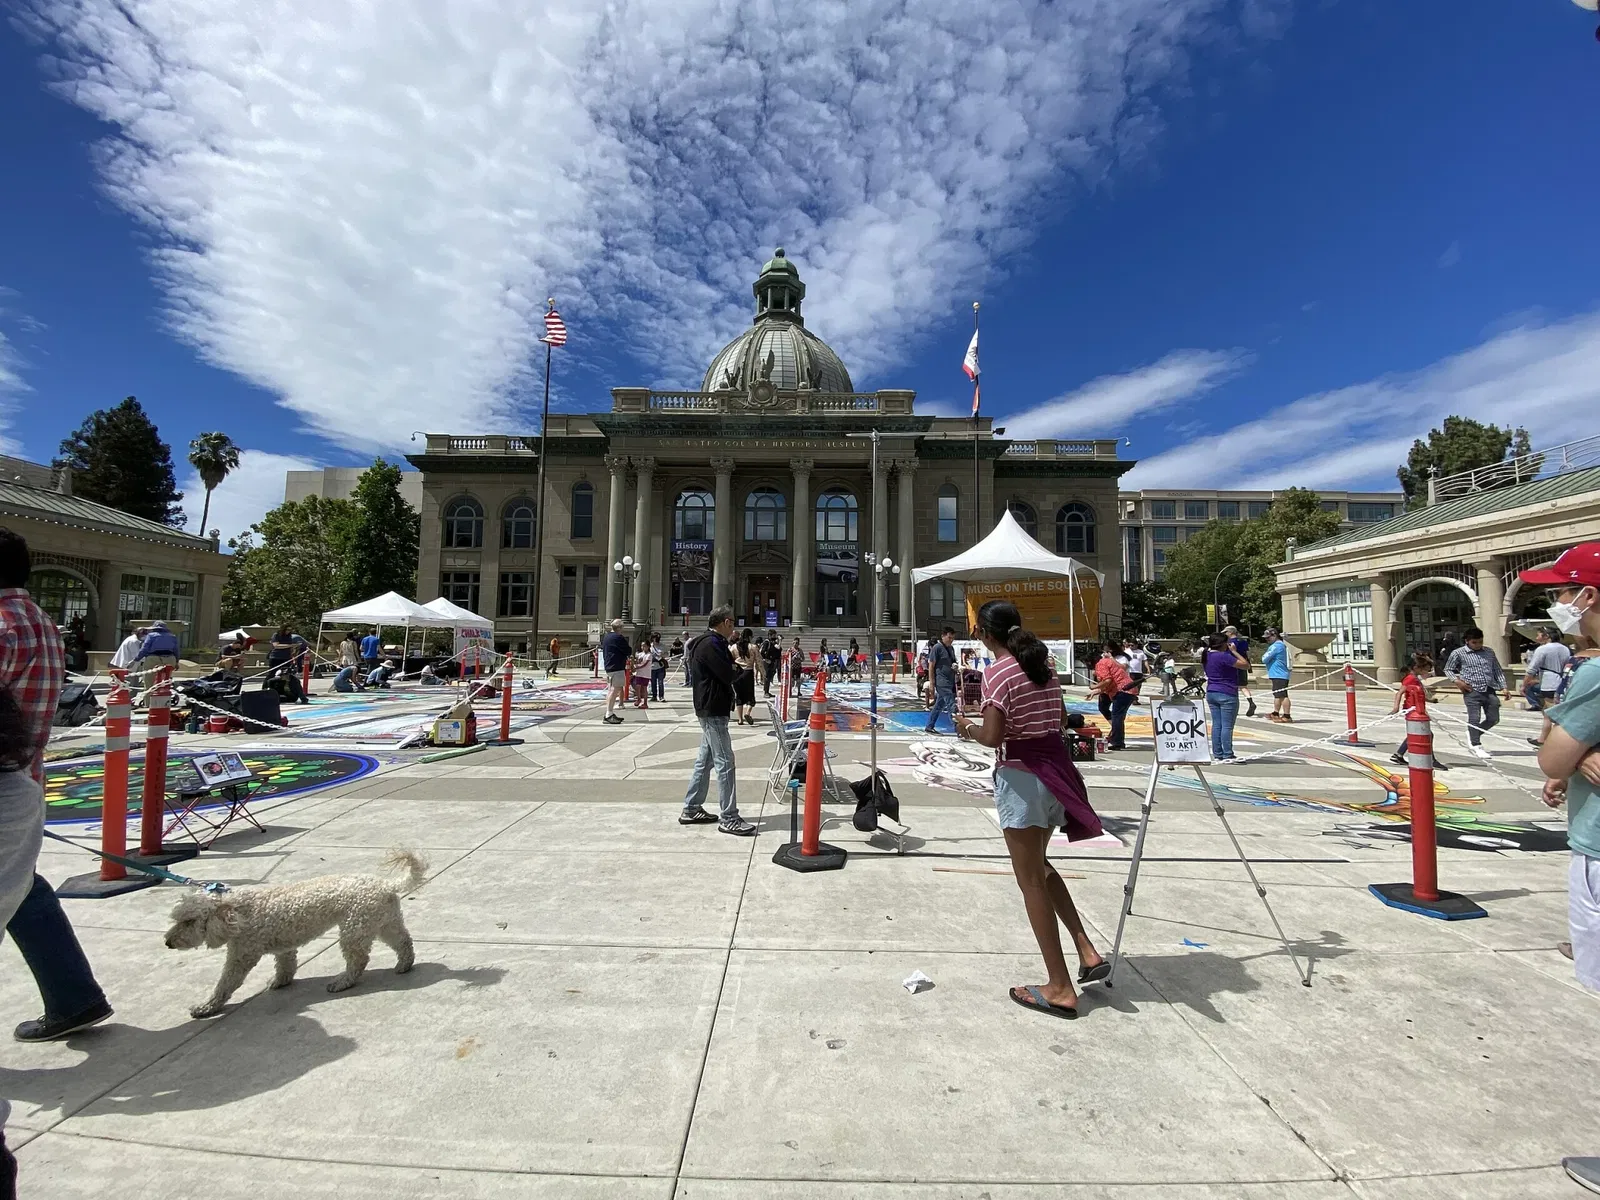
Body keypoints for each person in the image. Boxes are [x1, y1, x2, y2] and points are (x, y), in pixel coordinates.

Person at [954, 600, 1107, 1019]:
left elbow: (991, 734)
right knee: (1041, 866)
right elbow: (1059, 717)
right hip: (1054, 770)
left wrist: (965, 726)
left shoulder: (997, 673)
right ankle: (1085, 948)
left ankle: (1059, 986)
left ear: (985, 634)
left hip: (1021, 777)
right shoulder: (1043, 666)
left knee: (1030, 882)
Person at [0, 528, 113, 1043]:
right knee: (23, 887)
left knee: (21, 886)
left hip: (4, 775)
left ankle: (74, 996)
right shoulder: (38, 620)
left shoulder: (2, 623)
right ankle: (73, 995)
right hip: (25, 775)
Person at [1522, 546, 1600, 1194]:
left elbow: (1552, 758)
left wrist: (1566, 751)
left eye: (1569, 594)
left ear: (1591, 598)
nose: (1564, 607)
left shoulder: (1595, 671)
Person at [679, 607, 755, 835]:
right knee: (725, 762)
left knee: (706, 761)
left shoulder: (709, 642)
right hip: (713, 708)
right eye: (731, 621)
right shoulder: (711, 643)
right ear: (724, 622)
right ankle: (729, 817)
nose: (733, 626)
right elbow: (727, 673)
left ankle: (692, 807)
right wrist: (738, 669)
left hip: (711, 707)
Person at [1443, 626, 1510, 760]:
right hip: (1471, 689)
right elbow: (1448, 669)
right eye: (1474, 642)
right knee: (1474, 718)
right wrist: (1457, 682)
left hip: (1489, 688)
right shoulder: (1458, 653)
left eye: (1480, 642)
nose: (1478, 645)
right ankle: (1476, 745)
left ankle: (1474, 732)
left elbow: (1496, 669)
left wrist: (1504, 686)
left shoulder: (1489, 652)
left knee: (1493, 718)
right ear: (1467, 641)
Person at [1386, 651, 1448, 772]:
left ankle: (1398, 754)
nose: (1427, 672)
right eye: (1425, 669)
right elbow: (1400, 693)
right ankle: (1431, 759)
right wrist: (1395, 707)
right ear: (1416, 668)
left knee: (1415, 733)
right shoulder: (1410, 679)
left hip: (1418, 709)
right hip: (1413, 710)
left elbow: (1417, 694)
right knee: (1426, 734)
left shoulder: (1415, 679)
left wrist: (1430, 700)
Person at [1201, 632, 1250, 762]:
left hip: (1212, 691)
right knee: (1227, 726)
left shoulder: (1207, 655)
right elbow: (1245, 665)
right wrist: (1234, 651)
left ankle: (1218, 753)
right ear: (1223, 644)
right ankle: (1228, 753)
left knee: (1217, 724)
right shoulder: (1224, 656)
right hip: (1227, 692)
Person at [1526, 626, 1573, 747]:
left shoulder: (1542, 649)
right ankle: (1542, 739)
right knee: (1547, 712)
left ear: (1546, 636)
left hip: (1549, 683)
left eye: (1538, 635)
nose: (1536, 637)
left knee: (1553, 713)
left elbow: (1531, 669)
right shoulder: (1565, 649)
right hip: (1562, 682)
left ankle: (1561, 741)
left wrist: (1525, 684)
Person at [1090, 642, 1138, 751]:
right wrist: (1097, 691)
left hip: (1124, 690)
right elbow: (1109, 682)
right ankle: (1117, 739)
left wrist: (1094, 686)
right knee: (1116, 715)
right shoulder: (1105, 662)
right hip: (1123, 690)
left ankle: (1117, 741)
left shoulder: (1102, 663)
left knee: (1117, 715)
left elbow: (1108, 680)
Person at [923, 627, 958, 735]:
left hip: (950, 680)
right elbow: (931, 666)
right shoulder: (937, 648)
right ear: (943, 636)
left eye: (952, 638)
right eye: (949, 637)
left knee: (939, 705)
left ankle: (929, 725)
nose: (951, 640)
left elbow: (952, 662)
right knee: (951, 704)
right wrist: (932, 683)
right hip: (941, 681)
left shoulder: (951, 649)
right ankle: (958, 729)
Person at [600, 619, 631, 725]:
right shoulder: (618, 638)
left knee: (611, 690)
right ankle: (608, 714)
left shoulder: (607, 637)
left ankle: (609, 713)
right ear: (619, 628)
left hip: (609, 666)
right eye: (622, 627)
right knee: (615, 690)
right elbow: (628, 650)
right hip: (616, 666)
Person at [1222, 625, 1256, 718]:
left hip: (1234, 666)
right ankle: (1250, 701)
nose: (1225, 634)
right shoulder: (1243, 641)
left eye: (1226, 632)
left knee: (1233, 688)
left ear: (1230, 632)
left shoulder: (1229, 643)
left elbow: (1227, 656)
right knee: (1243, 686)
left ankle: (1234, 708)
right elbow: (1246, 653)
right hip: (1243, 665)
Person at [1261, 628, 1292, 723]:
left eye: (1268, 638)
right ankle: (1275, 713)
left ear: (1274, 636)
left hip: (1280, 674)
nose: (1267, 640)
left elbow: (1264, 658)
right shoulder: (1280, 645)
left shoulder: (1277, 646)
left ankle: (1287, 716)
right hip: (1277, 674)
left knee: (1282, 695)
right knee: (1277, 695)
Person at [732, 628, 758, 725]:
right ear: (750, 636)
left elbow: (729, 659)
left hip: (737, 673)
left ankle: (740, 719)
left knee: (739, 696)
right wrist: (763, 674)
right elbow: (758, 661)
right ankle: (747, 713)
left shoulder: (734, 647)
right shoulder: (753, 647)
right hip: (748, 672)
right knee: (750, 695)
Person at [760, 630, 781, 697]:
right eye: (774, 635)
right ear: (770, 635)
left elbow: (778, 648)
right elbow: (762, 652)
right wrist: (766, 659)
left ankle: (767, 691)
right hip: (767, 662)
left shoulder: (773, 642)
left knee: (769, 676)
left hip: (772, 661)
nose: (775, 637)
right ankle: (765, 692)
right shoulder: (767, 642)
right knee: (767, 677)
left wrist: (780, 641)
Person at [650, 633, 668, 702]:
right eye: (654, 638)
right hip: (652, 666)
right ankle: (654, 696)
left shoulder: (662, 646)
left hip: (660, 666)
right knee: (653, 682)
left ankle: (661, 696)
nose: (655, 640)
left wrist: (662, 655)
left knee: (660, 682)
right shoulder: (650, 646)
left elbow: (667, 654)